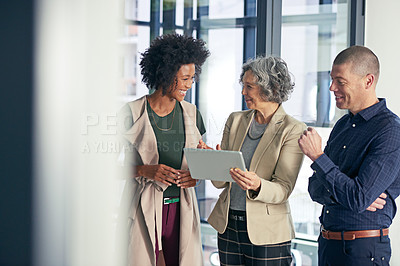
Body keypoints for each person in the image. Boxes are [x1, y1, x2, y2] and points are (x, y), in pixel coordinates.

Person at [198, 56, 306, 265]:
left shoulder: (293, 129)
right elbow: (221, 183)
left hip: (269, 233)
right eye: (243, 86)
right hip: (228, 226)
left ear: (271, 87)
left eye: (249, 87)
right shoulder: (235, 120)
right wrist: (213, 161)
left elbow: (283, 189)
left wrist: (257, 185)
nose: (243, 92)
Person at [298, 45, 400, 265]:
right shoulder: (343, 124)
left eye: (340, 81)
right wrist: (346, 193)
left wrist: (318, 157)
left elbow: (358, 198)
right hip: (328, 244)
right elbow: (315, 188)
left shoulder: (390, 131)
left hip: (362, 251)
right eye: (332, 79)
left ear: (368, 81)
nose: (332, 87)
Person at [118, 33, 210, 266]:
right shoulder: (132, 113)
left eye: (192, 78)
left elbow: (197, 164)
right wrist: (143, 170)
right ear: (166, 74)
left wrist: (199, 171)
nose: (190, 84)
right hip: (143, 207)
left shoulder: (191, 114)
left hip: (181, 210)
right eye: (185, 78)